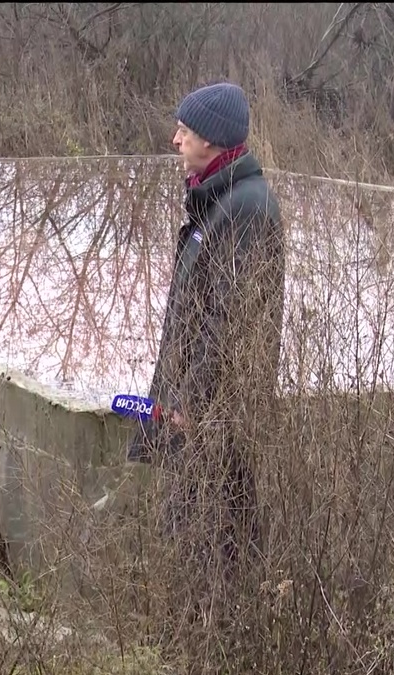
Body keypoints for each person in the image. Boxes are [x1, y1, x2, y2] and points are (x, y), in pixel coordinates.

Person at [126, 81, 285, 569]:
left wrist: (190, 402)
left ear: (211, 139)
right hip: (195, 412)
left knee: (214, 544)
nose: (175, 140)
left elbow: (228, 319)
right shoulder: (216, 200)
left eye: (184, 131)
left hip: (213, 418)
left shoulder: (246, 208)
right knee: (191, 537)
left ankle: (219, 615)